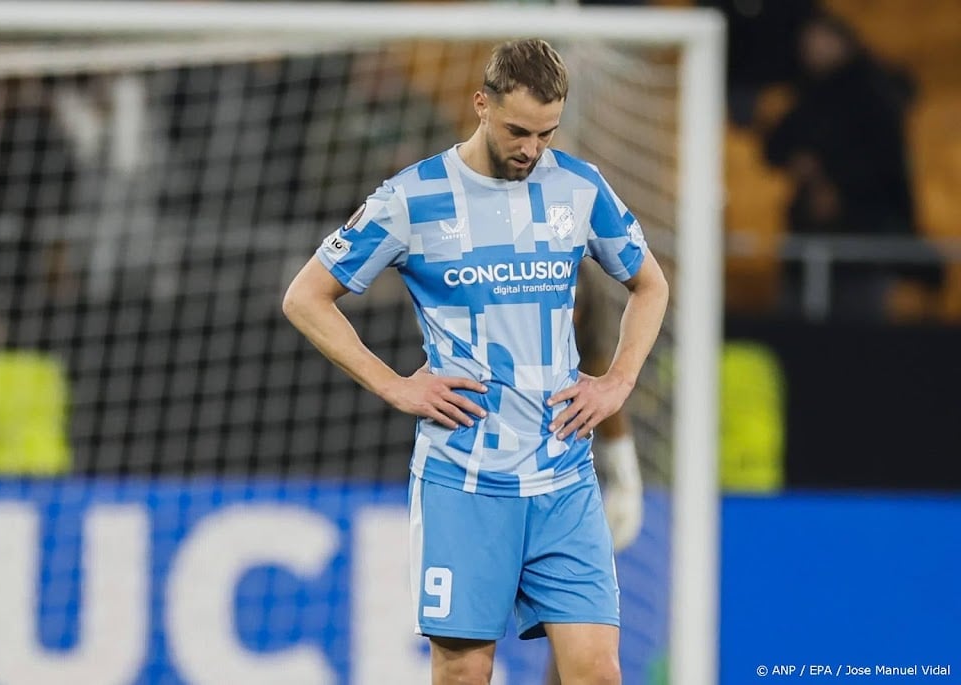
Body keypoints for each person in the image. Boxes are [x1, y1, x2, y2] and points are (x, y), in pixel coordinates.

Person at [283, 38, 668, 684]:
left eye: (547, 133)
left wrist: (618, 382)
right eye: (518, 130)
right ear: (481, 104)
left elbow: (650, 284)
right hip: (464, 479)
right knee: (464, 671)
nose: (531, 149)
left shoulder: (578, 188)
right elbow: (306, 296)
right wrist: (394, 384)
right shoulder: (413, 198)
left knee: (599, 672)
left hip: (563, 478)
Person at [763, 13, 923, 321]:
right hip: (809, 237)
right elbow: (776, 146)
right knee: (801, 326)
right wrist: (804, 165)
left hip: (866, 235)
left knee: (860, 331)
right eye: (806, 43)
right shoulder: (806, 93)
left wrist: (835, 183)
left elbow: (886, 165)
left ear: (843, 42)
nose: (811, 50)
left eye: (820, 40)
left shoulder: (874, 94)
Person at [543, 265, 645, 685]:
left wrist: (625, 478)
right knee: (468, 658)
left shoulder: (584, 364)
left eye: (573, 306)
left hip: (565, 498)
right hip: (492, 488)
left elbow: (604, 396)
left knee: (580, 638)